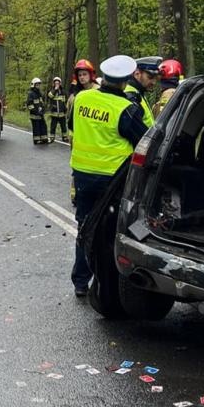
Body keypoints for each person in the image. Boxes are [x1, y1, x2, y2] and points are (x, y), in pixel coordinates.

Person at [68, 54, 146, 297]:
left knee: (85, 226)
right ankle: (106, 284)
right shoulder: (125, 109)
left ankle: (81, 281)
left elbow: (72, 124)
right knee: (111, 231)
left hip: (81, 176)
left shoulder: (82, 98)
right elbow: (144, 142)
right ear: (125, 81)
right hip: (112, 181)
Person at [125, 56, 162, 129]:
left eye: (155, 78)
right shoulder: (131, 97)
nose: (154, 82)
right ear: (137, 74)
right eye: (150, 77)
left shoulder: (139, 93)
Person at [66, 58, 96, 139]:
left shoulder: (98, 91)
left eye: (84, 74)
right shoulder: (74, 96)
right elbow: (69, 116)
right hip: (78, 136)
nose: (82, 77)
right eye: (79, 75)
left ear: (91, 74)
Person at [25, 77, 49, 145]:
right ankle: (37, 140)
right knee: (36, 128)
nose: (38, 86)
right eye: (37, 85)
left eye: (39, 84)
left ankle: (44, 139)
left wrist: (43, 110)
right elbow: (29, 104)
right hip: (34, 116)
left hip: (40, 115)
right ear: (33, 85)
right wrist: (36, 111)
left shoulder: (39, 94)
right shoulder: (31, 94)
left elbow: (41, 103)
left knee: (43, 126)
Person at [46, 77, 68, 142]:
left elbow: (65, 101)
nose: (57, 84)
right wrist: (55, 89)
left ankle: (64, 137)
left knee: (63, 126)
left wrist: (65, 109)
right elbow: (50, 96)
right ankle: (52, 138)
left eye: (58, 83)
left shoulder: (63, 91)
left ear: (60, 84)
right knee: (53, 126)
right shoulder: (51, 90)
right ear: (54, 84)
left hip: (62, 113)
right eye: (56, 83)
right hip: (54, 113)